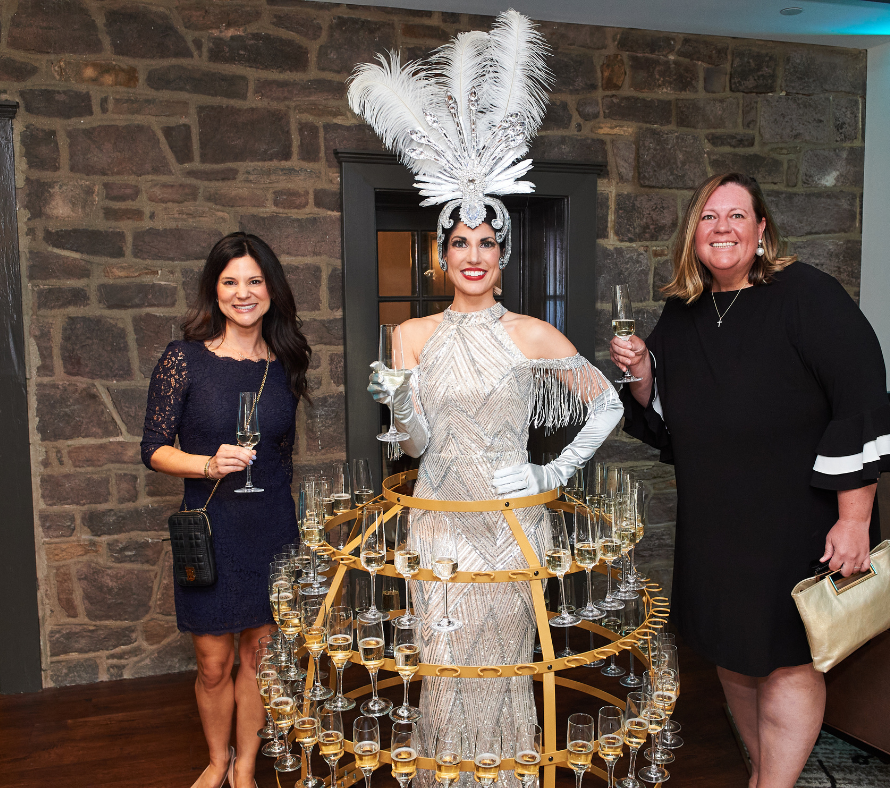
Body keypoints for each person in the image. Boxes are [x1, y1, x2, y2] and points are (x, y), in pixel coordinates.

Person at [350, 12, 623, 785]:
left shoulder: (536, 335)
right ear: (442, 256)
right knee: (443, 670)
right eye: (459, 242)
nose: (473, 255)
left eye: (487, 241)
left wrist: (550, 475)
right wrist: (399, 405)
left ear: (503, 254)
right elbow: (413, 448)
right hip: (438, 522)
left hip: (511, 525)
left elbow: (605, 406)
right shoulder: (407, 336)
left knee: (504, 667)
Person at [610, 172, 890, 788]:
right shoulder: (685, 310)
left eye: (737, 216)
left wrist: (854, 520)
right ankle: (764, 775)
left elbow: (858, 401)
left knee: (790, 657)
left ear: (762, 229)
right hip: (717, 520)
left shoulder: (808, 296)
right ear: (693, 234)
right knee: (733, 656)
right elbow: (665, 410)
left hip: (798, 519)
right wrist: (641, 371)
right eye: (710, 217)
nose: (723, 228)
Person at [141, 232, 311, 788]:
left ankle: (244, 765)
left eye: (255, 281)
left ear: (271, 289)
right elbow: (154, 450)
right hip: (210, 530)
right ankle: (216, 761)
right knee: (214, 663)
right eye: (231, 281)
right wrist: (209, 466)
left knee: (259, 658)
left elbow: (282, 456)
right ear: (214, 291)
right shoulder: (184, 360)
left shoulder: (285, 360)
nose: (244, 293)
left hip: (269, 529)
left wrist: (290, 531)